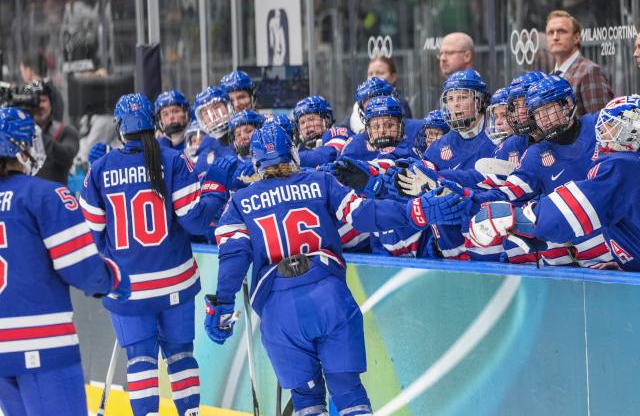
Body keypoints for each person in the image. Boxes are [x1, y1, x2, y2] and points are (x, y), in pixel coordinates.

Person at [204, 123, 415, 416]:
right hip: (330, 297)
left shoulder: (240, 201)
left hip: (280, 310)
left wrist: (222, 306)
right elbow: (365, 215)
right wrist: (414, 212)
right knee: (349, 392)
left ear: (256, 161)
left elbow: (233, 258)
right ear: (291, 151)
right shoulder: (321, 181)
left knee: (306, 401)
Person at [80, 93, 233, 416]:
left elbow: (90, 233)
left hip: (128, 287)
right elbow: (194, 220)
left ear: (120, 128)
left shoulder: (100, 169)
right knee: (180, 355)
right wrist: (217, 187)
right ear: (153, 123)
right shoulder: (173, 160)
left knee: (140, 359)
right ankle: (190, 412)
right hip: (175, 281)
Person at [0, 107, 129, 415]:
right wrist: (112, 279)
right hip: (43, 343)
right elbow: (81, 267)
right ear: (21, 148)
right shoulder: (45, 195)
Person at [468, 95, 640, 271]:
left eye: (610, 126)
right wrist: (628, 261)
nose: (602, 134)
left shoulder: (624, 165)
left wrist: (521, 218)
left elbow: (577, 207)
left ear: (632, 130)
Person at [545, 10, 613, 117]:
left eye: (561, 31)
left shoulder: (589, 72)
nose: (555, 37)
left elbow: (600, 125)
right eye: (550, 32)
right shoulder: (549, 78)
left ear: (576, 37)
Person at [22, 80, 80, 185]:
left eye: (43, 100)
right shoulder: (19, 135)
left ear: (52, 103)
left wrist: (35, 133)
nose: (38, 106)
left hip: (53, 198)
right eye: (34, 102)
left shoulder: (66, 132)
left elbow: (67, 154)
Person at [293, 95, 352, 168]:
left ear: (327, 120)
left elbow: (327, 156)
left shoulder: (337, 132)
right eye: (302, 122)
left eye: (311, 119)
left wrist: (290, 158)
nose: (306, 125)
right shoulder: (299, 148)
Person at [20, 52, 64, 121]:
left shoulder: (30, 91)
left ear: (28, 71)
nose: (22, 76)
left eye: (22, 72)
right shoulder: (54, 90)